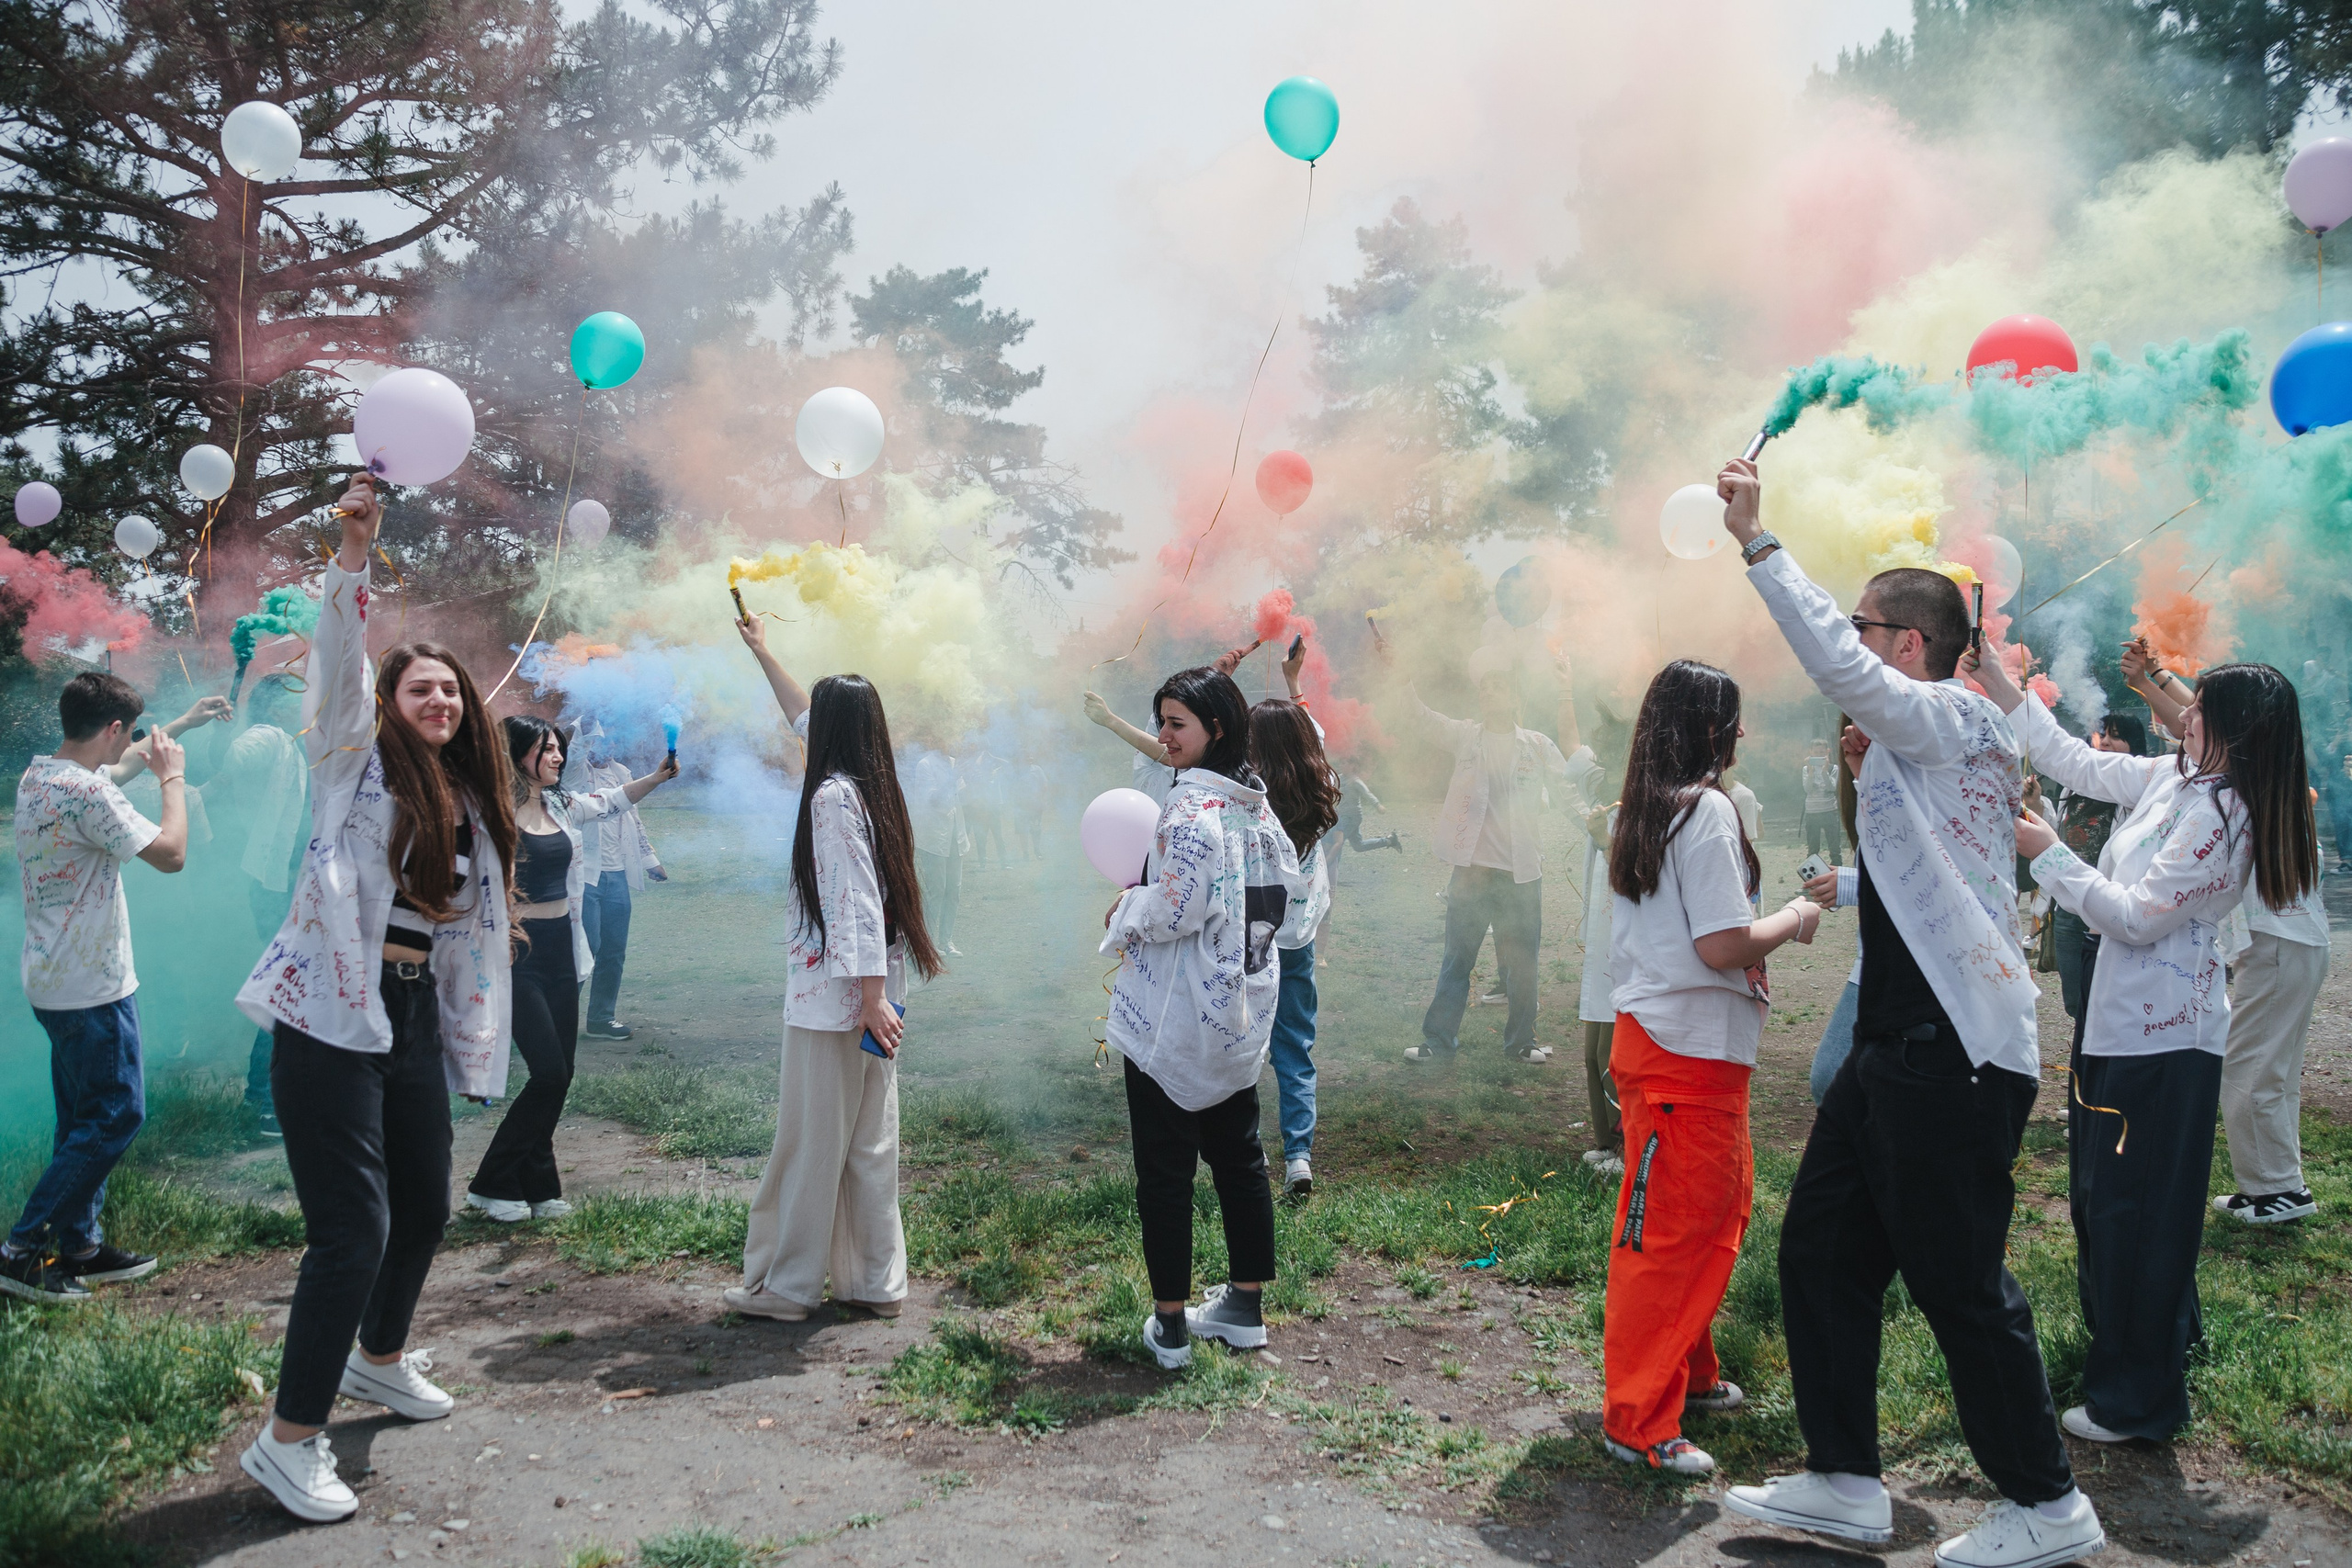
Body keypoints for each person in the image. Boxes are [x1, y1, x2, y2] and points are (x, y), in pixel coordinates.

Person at [1713, 458, 2103, 1568]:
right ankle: (1843, 1483)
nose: (1851, 636)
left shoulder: (1944, 714)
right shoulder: (1926, 738)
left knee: (1957, 1283)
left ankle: (2047, 1503)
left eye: (1865, 624)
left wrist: (1758, 543)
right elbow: (1914, 867)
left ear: (1910, 647)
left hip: (1954, 1057)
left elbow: (1836, 665)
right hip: (1892, 1047)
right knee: (1821, 1255)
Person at [233, 475, 519, 1523]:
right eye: (421, 690)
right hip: (324, 1015)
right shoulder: (348, 758)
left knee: (426, 1207)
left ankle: (381, 1358)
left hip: (402, 1017)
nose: (439, 701)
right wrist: (355, 554)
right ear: (390, 705)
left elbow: (466, 930)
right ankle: (287, 1440)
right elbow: (342, 669)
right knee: (351, 1229)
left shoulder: (461, 799)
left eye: (450, 690)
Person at [1978, 642, 2312, 1444]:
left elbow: (2133, 916)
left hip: (2167, 1041)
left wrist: (2047, 855)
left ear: (2236, 726)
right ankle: (2158, 1342)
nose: (2183, 708)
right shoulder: (2176, 779)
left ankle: (2139, 1399)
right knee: (2106, 1204)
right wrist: (1990, 665)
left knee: (2137, 1214)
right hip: (2117, 1028)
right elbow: (2062, 754)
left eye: (2200, 704)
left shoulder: (2226, 814)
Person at [1600, 660, 1818, 1476]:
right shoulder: (1709, 811)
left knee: (1699, 1220)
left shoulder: (1646, 808)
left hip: (1668, 1046)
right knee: (1674, 1234)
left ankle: (1687, 1374)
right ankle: (1637, 1418)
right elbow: (1722, 944)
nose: (1742, 736)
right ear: (1713, 731)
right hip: (1683, 1054)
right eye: (1735, 721)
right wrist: (1796, 917)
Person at [728, 616, 941, 1321]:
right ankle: (874, 1282)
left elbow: (852, 903)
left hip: (838, 1001)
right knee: (870, 1143)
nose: (803, 726)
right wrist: (763, 650)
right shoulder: (872, 787)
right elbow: (802, 713)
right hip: (875, 997)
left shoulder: (829, 797)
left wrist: (867, 998)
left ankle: (789, 1286)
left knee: (812, 1143)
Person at [1101, 666, 1301, 1369]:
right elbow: (1288, 908)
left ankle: (1171, 1324)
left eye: (1177, 722)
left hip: (1175, 1024)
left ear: (1216, 727)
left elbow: (1176, 909)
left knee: (1165, 1170)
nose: (1163, 735)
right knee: (1239, 1159)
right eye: (1160, 720)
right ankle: (1243, 1306)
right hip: (1239, 1018)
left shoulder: (1190, 810)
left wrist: (1129, 906)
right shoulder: (1259, 808)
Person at [2, 674, 191, 1304]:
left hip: (53, 978)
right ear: (113, 729)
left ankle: (79, 1243)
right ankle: (20, 1249)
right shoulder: (87, 792)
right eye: (128, 732)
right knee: (117, 1113)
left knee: (81, 1120)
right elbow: (170, 853)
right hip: (92, 986)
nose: (131, 743)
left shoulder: (42, 777)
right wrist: (172, 779)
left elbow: (112, 775)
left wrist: (178, 726)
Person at [465, 717, 675, 1223]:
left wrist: (658, 777)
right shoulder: (489, 812)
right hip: (518, 953)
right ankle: (490, 1184)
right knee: (549, 1072)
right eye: (547, 749)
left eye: (559, 748)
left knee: (562, 1073)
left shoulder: (560, 804)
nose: (559, 757)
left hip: (563, 948)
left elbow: (611, 802)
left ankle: (538, 1185)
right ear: (517, 755)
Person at [1393, 644, 1600, 1065]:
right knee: (1456, 961)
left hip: (1521, 875)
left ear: (1514, 698)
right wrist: (1399, 674)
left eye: (1498, 687)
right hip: (1471, 873)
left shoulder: (1537, 745)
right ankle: (1438, 1043)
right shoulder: (1467, 736)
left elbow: (1567, 793)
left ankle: (1522, 1044)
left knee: (1521, 966)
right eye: (1485, 689)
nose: (1489, 694)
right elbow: (1421, 718)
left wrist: (1598, 830)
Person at [208, 673, 311, 1136]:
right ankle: (266, 1103)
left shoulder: (297, 741)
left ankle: (281, 1095)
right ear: (275, 707)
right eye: (298, 698)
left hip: (300, 882)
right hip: (278, 885)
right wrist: (223, 728)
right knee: (286, 984)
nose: (308, 704)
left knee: (300, 984)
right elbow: (232, 757)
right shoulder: (268, 735)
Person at [1249, 696, 1338, 1202]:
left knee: (1240, 1041)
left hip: (1251, 942)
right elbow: (1315, 734)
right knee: (1295, 1048)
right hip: (1298, 937)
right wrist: (1294, 684)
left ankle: (1251, 1150)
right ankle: (1298, 1158)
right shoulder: (1317, 786)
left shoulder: (1246, 798)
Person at [2041, 709, 2150, 1021]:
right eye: (2103, 735)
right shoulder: (2072, 787)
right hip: (2069, 906)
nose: (2105, 742)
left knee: (2109, 999)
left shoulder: (2137, 792)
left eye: (2116, 736)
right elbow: (2058, 833)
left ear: (2134, 745)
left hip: (2110, 904)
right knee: (2075, 999)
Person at [573, 717, 669, 1042]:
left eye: (614, 740)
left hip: (616, 874)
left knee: (613, 949)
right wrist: (586, 722)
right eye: (603, 740)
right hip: (584, 873)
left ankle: (601, 1018)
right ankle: (559, 1016)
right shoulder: (573, 771)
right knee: (586, 947)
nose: (609, 746)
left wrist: (649, 860)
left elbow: (634, 819)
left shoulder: (622, 773)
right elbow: (575, 748)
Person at [1577, 795, 1623, 1174]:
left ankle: (1626, 1146)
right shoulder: (1616, 808)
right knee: (1592, 1051)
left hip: (1624, 947)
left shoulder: (1653, 812)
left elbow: (1637, 879)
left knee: (1612, 1055)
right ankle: (1606, 1141)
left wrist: (1606, 841)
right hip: (1604, 940)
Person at [900, 736, 967, 958]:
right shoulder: (925, 765)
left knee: (953, 891)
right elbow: (933, 802)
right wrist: (952, 779)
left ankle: (946, 940)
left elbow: (959, 799)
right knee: (935, 892)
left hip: (955, 837)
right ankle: (927, 942)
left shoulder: (954, 762)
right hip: (934, 838)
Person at [1801, 737, 1841, 867]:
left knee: (1835, 848)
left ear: (1827, 752)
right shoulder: (1806, 769)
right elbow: (1807, 789)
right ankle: (1813, 878)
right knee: (1813, 849)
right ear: (1811, 752)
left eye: (1822, 752)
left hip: (1829, 810)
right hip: (1812, 811)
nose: (1819, 755)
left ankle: (1837, 874)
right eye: (1816, 752)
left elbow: (1832, 788)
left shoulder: (1833, 768)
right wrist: (1811, 772)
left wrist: (1824, 771)